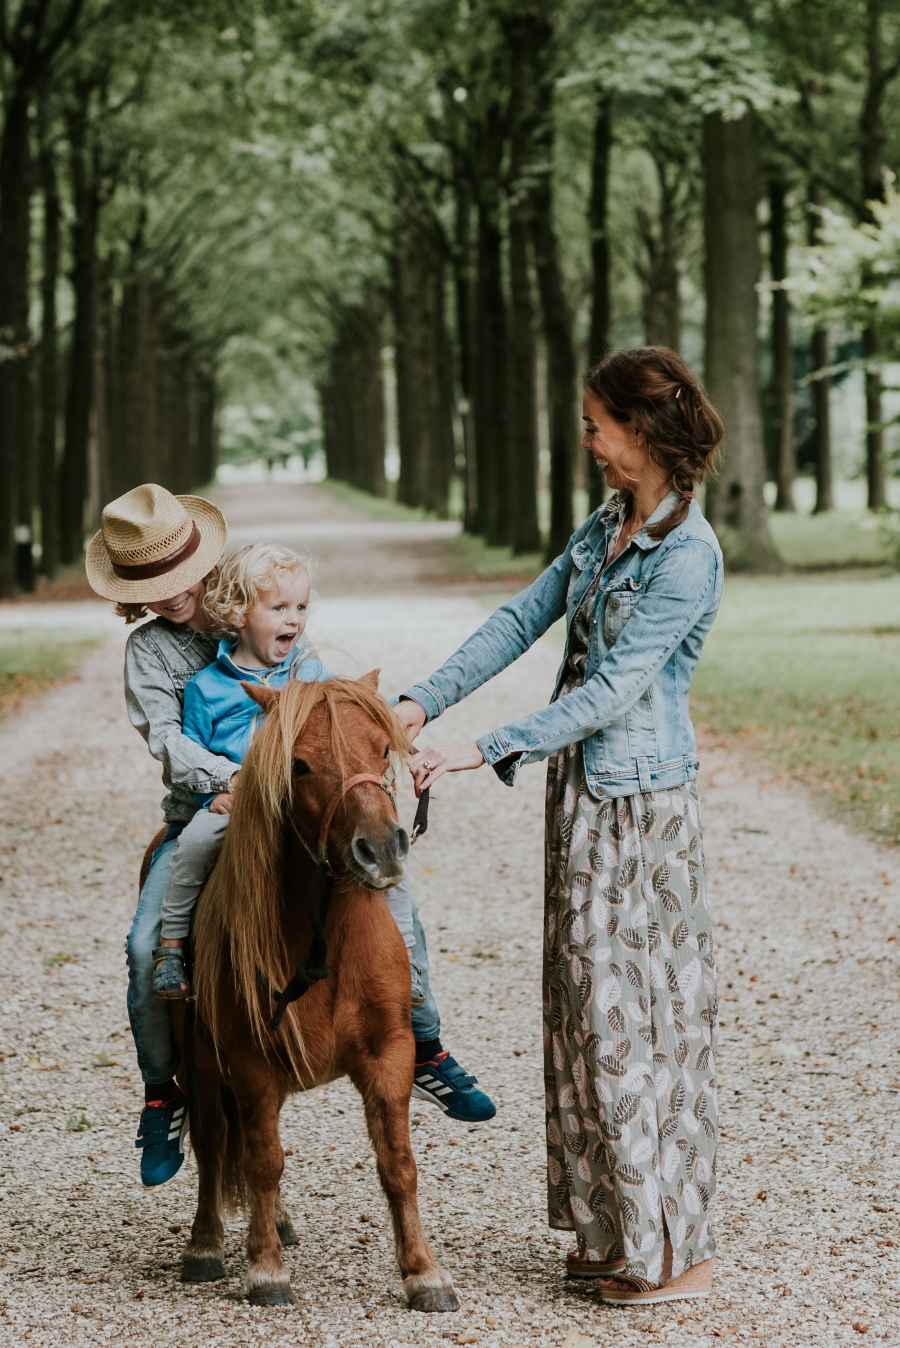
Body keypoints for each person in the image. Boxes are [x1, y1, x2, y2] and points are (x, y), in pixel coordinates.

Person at [397, 347, 724, 1307]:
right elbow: (520, 618)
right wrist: (421, 702)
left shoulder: (687, 555)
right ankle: (609, 1231)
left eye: (596, 424)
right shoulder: (606, 525)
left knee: (641, 1019)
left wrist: (484, 746)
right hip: (583, 796)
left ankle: (673, 1250)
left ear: (643, 432)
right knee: (585, 1010)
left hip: (640, 811)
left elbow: (616, 692)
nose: (586, 440)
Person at [86, 484, 495, 1189]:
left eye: (182, 575)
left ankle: (422, 1043)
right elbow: (169, 741)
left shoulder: (256, 611)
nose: (173, 594)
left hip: (302, 814)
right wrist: (242, 781)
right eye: (153, 587)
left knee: (393, 908)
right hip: (211, 810)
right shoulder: (153, 656)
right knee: (143, 943)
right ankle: (163, 1093)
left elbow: (336, 708)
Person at [149, 541, 418, 999]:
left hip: (296, 796)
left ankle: (404, 959)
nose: (294, 618)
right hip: (237, 801)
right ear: (236, 613)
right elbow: (187, 751)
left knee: (381, 850)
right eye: (279, 607)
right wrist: (208, 795)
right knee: (195, 842)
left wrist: (392, 717)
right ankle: (172, 945)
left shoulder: (308, 668)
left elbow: (343, 710)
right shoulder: (207, 688)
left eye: (301, 606)